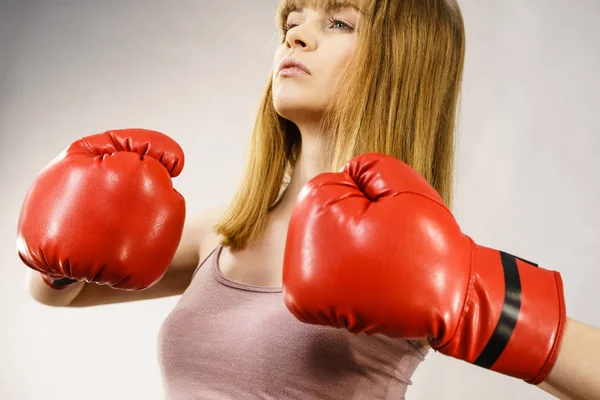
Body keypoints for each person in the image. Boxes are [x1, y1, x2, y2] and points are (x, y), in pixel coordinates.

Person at [17, 0, 600, 399]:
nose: (295, 35)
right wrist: (72, 233)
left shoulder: (414, 253)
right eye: (292, 21)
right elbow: (56, 291)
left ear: (404, 59)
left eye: (340, 23)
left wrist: (474, 301)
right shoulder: (229, 230)